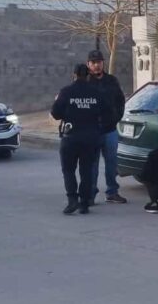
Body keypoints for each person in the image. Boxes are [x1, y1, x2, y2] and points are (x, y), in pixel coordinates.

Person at [51, 64, 113, 215]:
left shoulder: (66, 92)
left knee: (68, 170)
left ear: (74, 75)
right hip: (91, 137)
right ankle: (84, 203)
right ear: (88, 75)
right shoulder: (97, 92)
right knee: (86, 171)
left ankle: (72, 200)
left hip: (70, 136)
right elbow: (108, 112)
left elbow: (55, 113)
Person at [85, 50, 128, 205]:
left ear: (103, 63)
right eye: (93, 62)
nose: (97, 65)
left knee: (112, 163)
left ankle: (112, 192)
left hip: (110, 129)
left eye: (99, 62)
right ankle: (90, 193)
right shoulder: (85, 82)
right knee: (92, 165)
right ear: (88, 64)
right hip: (92, 131)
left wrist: (116, 118)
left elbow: (120, 101)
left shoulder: (111, 81)